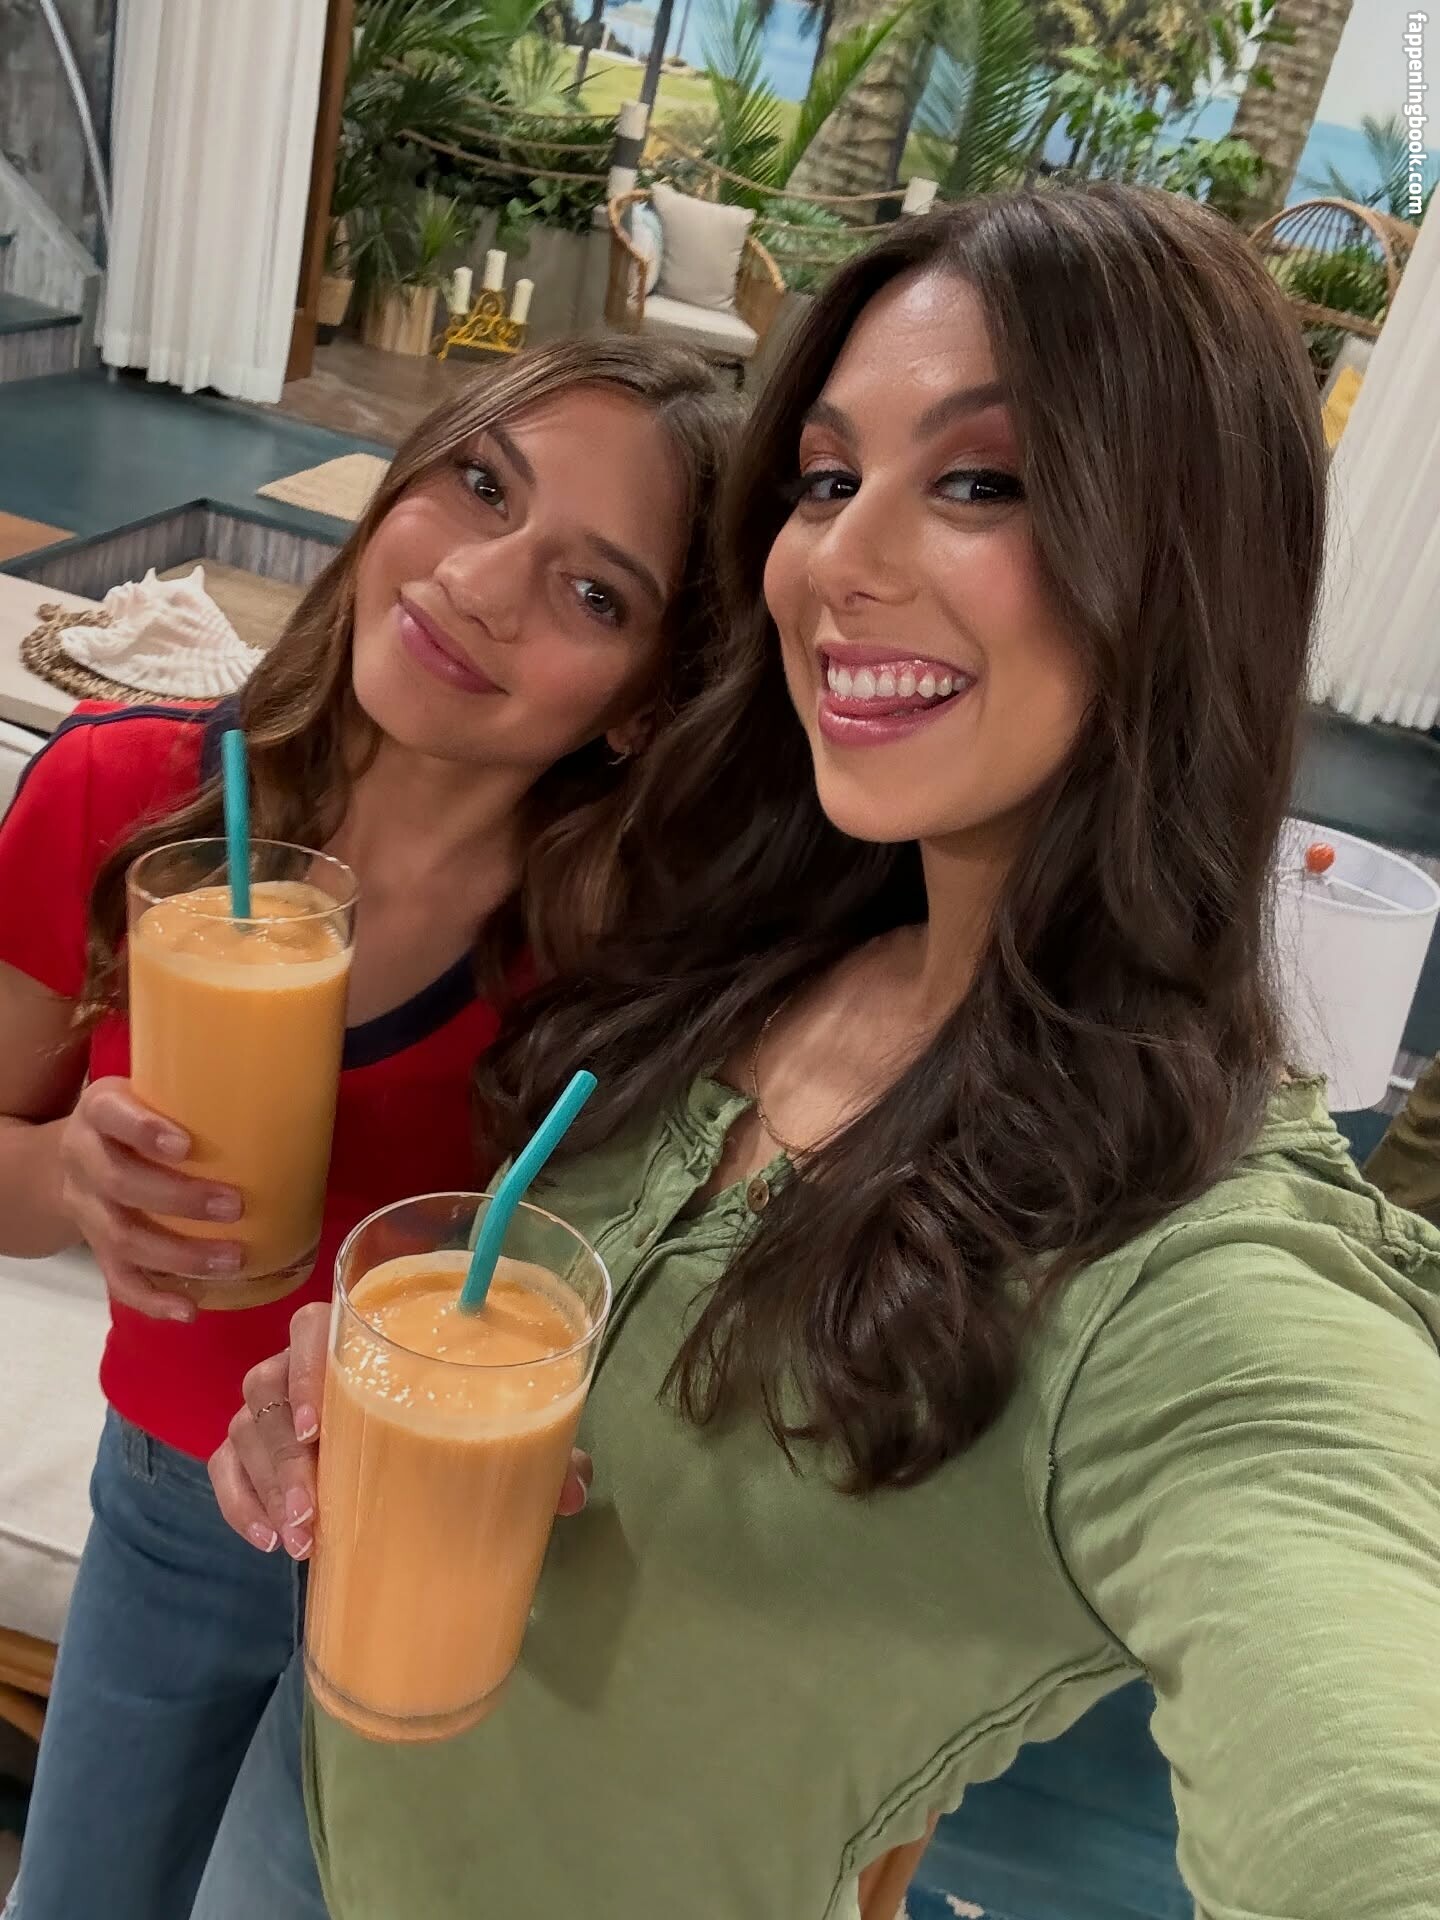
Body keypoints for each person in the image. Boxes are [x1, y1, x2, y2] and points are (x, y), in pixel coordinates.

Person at [202, 185, 1440, 1920]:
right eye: (829, 478)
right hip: (309, 1800)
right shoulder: (745, 941)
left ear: (1184, 563)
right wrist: (357, 1387)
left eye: (983, 481)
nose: (837, 564)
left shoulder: (1190, 1265)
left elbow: (1363, 1753)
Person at [0, 338, 734, 1920]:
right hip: (170, 1503)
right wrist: (65, 1174)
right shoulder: (121, 799)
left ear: (644, 703)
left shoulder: (621, 967)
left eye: (593, 593)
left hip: (441, 1556)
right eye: (479, 485)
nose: (480, 583)